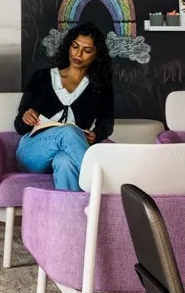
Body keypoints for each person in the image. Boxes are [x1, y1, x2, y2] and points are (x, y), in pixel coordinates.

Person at [14, 23, 116, 190]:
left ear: (96, 55)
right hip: (33, 152)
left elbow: (107, 123)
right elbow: (18, 126)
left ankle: (72, 215)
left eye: (87, 50)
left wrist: (96, 135)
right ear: (69, 46)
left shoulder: (100, 86)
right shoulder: (41, 77)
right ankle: (106, 187)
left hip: (69, 153)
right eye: (75, 46)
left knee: (65, 162)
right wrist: (26, 118)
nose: (78, 54)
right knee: (68, 131)